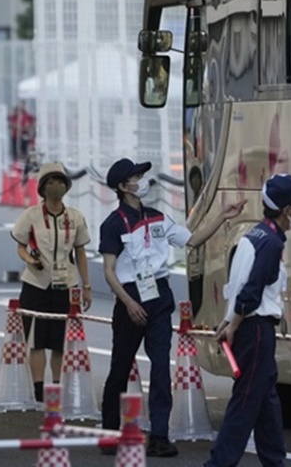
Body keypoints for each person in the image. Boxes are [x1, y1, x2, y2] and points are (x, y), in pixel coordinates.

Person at [98, 158, 245, 458]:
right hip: (130, 297)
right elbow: (109, 272)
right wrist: (128, 302)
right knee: (120, 368)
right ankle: (110, 433)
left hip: (159, 296)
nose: (142, 180)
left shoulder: (158, 217)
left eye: (141, 175)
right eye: (136, 177)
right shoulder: (112, 224)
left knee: (161, 367)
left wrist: (222, 216)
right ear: (123, 186)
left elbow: (193, 240)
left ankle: (159, 435)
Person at [204, 173, 291, 467]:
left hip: (249, 327)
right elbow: (252, 291)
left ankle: (274, 461)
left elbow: (237, 284)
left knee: (267, 402)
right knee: (246, 401)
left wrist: (228, 320)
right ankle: (218, 463)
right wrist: (233, 325)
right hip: (256, 329)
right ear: (286, 209)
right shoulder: (272, 244)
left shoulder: (254, 235)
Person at [10, 162, 92, 403]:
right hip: (36, 284)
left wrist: (86, 286)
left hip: (66, 284)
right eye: (51, 182)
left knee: (59, 342)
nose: (56, 186)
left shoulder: (75, 217)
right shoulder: (31, 215)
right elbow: (20, 247)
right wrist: (30, 260)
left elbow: (81, 252)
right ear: (42, 188)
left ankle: (57, 387)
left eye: (60, 181)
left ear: (66, 186)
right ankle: (38, 390)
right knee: (35, 340)